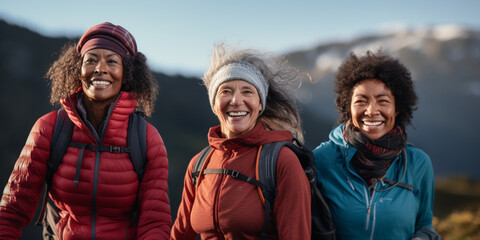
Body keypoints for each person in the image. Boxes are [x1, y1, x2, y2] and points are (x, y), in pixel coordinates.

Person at [0, 22, 171, 239]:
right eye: (90, 60)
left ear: (127, 74)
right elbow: (12, 211)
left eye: (111, 61)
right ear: (77, 70)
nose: (100, 68)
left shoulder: (147, 139)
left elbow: (155, 223)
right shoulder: (49, 129)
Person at [170, 44, 311, 239]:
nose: (236, 100)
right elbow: (180, 234)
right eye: (225, 91)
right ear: (214, 104)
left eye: (247, 92)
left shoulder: (281, 162)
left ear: (260, 103)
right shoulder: (198, 165)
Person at [313, 50, 441, 239]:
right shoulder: (322, 159)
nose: (372, 111)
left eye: (383, 101)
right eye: (361, 101)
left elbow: (425, 226)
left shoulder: (418, 163)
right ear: (348, 107)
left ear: (397, 109)